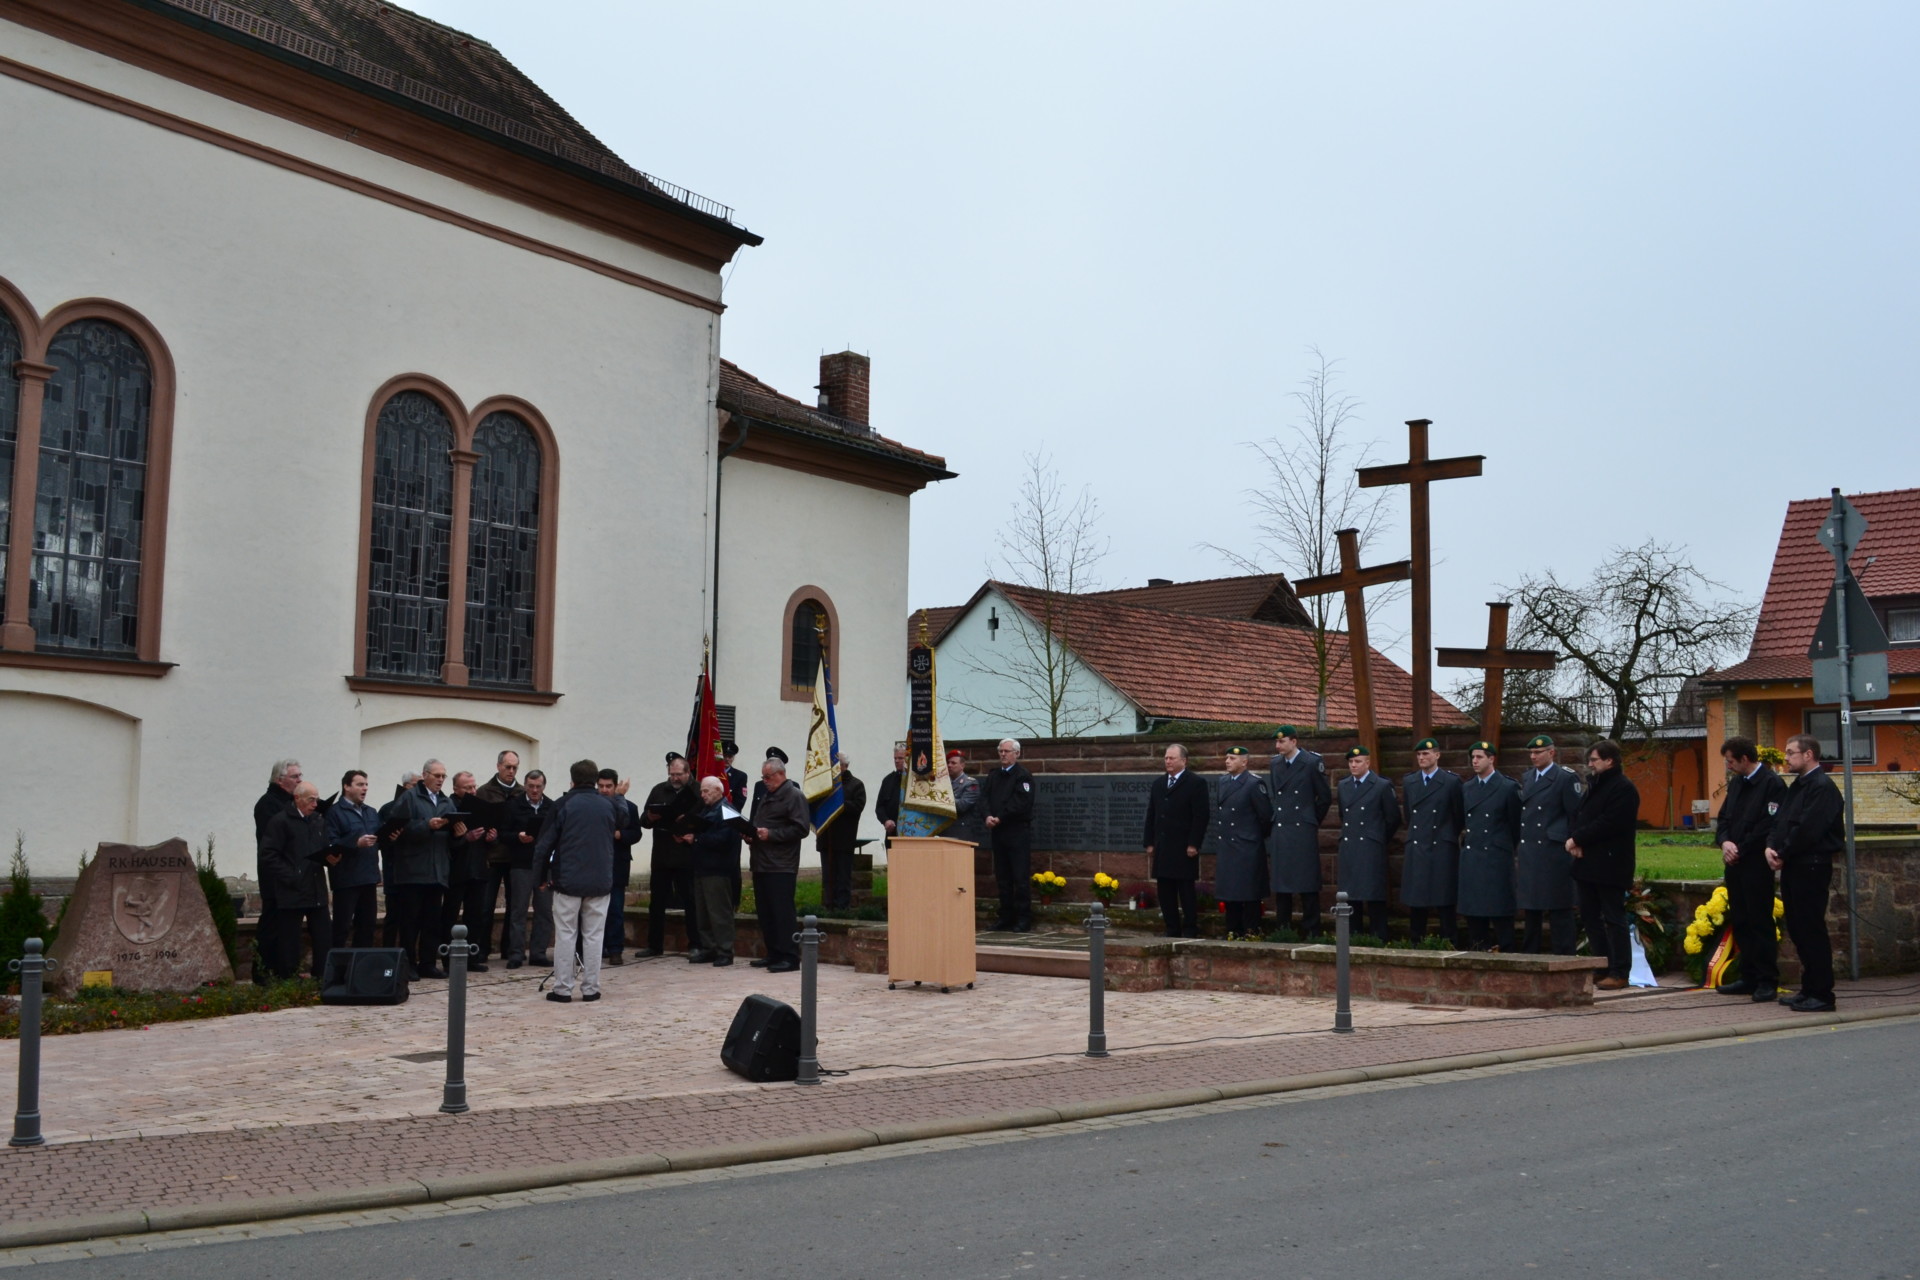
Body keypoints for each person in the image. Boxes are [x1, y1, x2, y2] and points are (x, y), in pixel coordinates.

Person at [1766, 733, 1844, 1012]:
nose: (1785, 757)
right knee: (1798, 929)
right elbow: (1781, 821)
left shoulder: (1822, 787)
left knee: (1811, 929)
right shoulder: (1798, 786)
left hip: (1811, 865)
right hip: (1794, 865)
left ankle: (1822, 993)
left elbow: (1808, 829)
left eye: (1790, 752)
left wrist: (1784, 851)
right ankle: (1808, 988)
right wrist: (1771, 847)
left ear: (1808, 754)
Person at [535, 759, 619, 1003]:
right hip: (600, 880)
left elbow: (544, 845)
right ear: (594, 780)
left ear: (572, 778)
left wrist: (540, 877)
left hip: (568, 880)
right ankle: (591, 988)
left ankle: (562, 988)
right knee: (594, 935)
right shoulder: (608, 805)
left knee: (566, 934)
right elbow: (623, 822)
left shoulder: (564, 804)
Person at [1713, 736, 1787, 1001]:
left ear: (1745, 759)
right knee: (1741, 920)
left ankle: (1767, 979)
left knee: (1760, 921)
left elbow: (1770, 824)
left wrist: (1741, 848)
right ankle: (1748, 975)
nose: (1728, 766)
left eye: (1731, 761)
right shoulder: (1736, 785)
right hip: (1735, 863)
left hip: (1756, 862)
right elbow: (1724, 819)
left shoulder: (1772, 784)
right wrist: (1724, 842)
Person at [1568, 739, 1640, 990]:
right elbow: (1579, 815)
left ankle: (1620, 971)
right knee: (1590, 916)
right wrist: (1575, 840)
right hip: (1587, 862)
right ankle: (1602, 964)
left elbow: (1610, 822)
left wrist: (1578, 838)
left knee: (1613, 917)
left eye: (1594, 760)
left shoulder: (1623, 788)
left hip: (1611, 864)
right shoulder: (1595, 785)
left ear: (1610, 761)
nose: (1590, 764)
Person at [386, 759, 455, 980]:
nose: (441, 780)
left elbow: (452, 838)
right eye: (437, 775)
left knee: (432, 922)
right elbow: (397, 829)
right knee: (410, 922)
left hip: (437, 872)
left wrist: (460, 834)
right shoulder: (410, 797)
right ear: (425, 775)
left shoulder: (446, 801)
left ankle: (428, 963)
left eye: (443, 776)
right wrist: (425, 825)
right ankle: (409, 965)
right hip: (413, 872)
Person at [258, 781, 333, 980]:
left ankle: (322, 978)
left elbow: (324, 847)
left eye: (317, 799)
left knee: (323, 937)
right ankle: (288, 980)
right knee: (290, 940)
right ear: (297, 798)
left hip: (316, 888)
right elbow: (268, 855)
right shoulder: (280, 821)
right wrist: (292, 875)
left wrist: (332, 857)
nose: (315, 804)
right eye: (311, 800)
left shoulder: (318, 820)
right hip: (292, 889)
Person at [1517, 734, 1583, 955]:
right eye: (1532, 753)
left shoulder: (1565, 778)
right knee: (1532, 907)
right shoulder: (1527, 778)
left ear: (1551, 753)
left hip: (1554, 850)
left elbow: (1574, 814)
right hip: (1531, 850)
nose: (1534, 756)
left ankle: (1564, 955)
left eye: (1538, 752)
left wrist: (1572, 841)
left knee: (1559, 907)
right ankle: (1530, 954)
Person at [1267, 727, 1331, 936]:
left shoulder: (1311, 762)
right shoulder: (1275, 763)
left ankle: (1312, 928)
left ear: (1294, 742)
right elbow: (1277, 796)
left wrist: (1310, 820)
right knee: (1282, 881)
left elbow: (1324, 798)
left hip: (1302, 828)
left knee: (1307, 881)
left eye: (1282, 742)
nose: (1278, 746)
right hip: (1282, 827)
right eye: (1277, 742)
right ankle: (1283, 930)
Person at [749, 755, 811, 972]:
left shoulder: (793, 795)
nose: (765, 781)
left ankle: (790, 957)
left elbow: (801, 829)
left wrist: (771, 834)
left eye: (768, 777)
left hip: (781, 865)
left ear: (781, 774)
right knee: (766, 912)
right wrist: (752, 835)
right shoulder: (768, 795)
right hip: (762, 862)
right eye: (763, 777)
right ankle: (774, 953)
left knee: (782, 912)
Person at [1400, 738, 1465, 943]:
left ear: (1437, 755)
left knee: (1444, 897)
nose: (1421, 758)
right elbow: (1408, 815)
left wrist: (1446, 836)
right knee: (1417, 898)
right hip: (1418, 843)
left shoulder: (1451, 781)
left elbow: (1458, 816)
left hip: (1441, 845)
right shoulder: (1410, 781)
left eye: (1426, 754)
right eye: (1418, 755)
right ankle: (1416, 942)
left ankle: (1449, 942)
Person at [1458, 742, 1521, 951]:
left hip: (1497, 857)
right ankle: (1478, 954)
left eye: (1479, 757)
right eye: (1473, 757)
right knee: (1475, 916)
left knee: (1501, 913)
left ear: (1491, 759)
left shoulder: (1508, 787)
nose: (1475, 761)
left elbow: (1515, 825)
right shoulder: (1467, 788)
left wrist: (1501, 846)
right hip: (1473, 856)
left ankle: (1509, 957)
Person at [1144, 744, 1211, 937]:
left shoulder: (1196, 783)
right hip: (1163, 846)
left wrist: (1194, 843)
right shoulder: (1158, 784)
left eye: (1172, 758)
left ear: (1184, 760)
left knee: (1185, 889)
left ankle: (1190, 927)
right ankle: (1171, 927)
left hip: (1183, 847)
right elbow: (1152, 814)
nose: (1168, 761)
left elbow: (1201, 816)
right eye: (1166, 758)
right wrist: (1149, 841)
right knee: (1165, 890)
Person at [638, 755, 698, 959]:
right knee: (657, 902)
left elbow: (705, 819)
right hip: (663, 854)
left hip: (686, 855)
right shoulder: (658, 790)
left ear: (688, 773)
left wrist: (689, 824)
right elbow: (644, 820)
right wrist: (650, 817)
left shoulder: (697, 790)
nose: (674, 778)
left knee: (690, 901)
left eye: (678, 774)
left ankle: (695, 945)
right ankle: (654, 945)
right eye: (671, 774)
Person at [1335, 745, 1398, 939]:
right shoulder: (1343, 785)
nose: (1353, 765)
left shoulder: (1381, 785)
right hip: (1350, 846)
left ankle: (1378, 938)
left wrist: (1376, 838)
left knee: (1374, 896)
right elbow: (1343, 815)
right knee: (1350, 896)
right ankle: (1352, 938)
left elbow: (1393, 819)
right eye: (1351, 762)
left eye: (1358, 761)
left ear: (1367, 763)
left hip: (1371, 847)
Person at [252, 758, 303, 984]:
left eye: (300, 776)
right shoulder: (267, 804)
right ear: (280, 780)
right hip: (275, 874)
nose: (300, 780)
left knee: (289, 925)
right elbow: (275, 840)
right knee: (272, 924)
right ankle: (263, 972)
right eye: (295, 777)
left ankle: (285, 970)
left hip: (291, 873)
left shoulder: (291, 802)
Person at [1213, 747, 1272, 937]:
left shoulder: (1254, 783)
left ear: (1244, 762)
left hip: (1247, 846)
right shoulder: (1223, 781)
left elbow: (1265, 816)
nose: (1227, 761)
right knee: (1230, 891)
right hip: (1228, 845)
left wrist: (1251, 837)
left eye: (1232, 758)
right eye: (1226, 757)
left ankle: (1251, 929)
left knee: (1249, 890)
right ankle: (1232, 929)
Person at [438, 770, 492, 973]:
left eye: (474, 786)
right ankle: (446, 958)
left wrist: (490, 837)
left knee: (475, 915)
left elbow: (488, 836)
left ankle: (471, 957)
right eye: (467, 788)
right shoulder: (449, 806)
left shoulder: (479, 806)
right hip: (456, 870)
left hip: (478, 868)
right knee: (450, 914)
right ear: (456, 789)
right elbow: (446, 841)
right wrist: (464, 838)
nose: (472, 790)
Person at [473, 750, 524, 965]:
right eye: (507, 767)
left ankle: (509, 949)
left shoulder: (522, 792)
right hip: (491, 857)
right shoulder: (485, 792)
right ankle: (482, 949)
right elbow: (477, 821)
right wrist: (487, 836)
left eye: (514, 768)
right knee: (486, 907)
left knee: (516, 906)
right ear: (498, 766)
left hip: (515, 857)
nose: (511, 771)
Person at [324, 769, 382, 950]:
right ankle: (335, 971)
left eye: (366, 784)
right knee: (342, 926)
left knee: (367, 925)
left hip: (368, 877)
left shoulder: (371, 812)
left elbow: (379, 837)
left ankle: (360, 969)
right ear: (346, 787)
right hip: (346, 879)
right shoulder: (334, 812)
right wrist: (355, 843)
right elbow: (330, 843)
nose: (364, 788)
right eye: (359, 784)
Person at [982, 738, 1036, 932]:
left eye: (1007, 751)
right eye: (1001, 751)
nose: (1003, 754)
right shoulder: (994, 775)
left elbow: (1021, 802)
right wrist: (987, 815)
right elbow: (985, 798)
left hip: (1016, 832)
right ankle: (1005, 916)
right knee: (1002, 877)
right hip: (998, 833)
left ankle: (1023, 918)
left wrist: (1000, 817)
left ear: (1017, 753)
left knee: (1019, 877)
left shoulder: (1023, 776)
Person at [690, 776, 739, 966]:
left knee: (719, 914)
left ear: (719, 790)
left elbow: (723, 839)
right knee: (702, 913)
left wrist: (695, 839)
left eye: (706, 791)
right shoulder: (705, 810)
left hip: (718, 870)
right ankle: (708, 948)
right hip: (702, 868)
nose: (702, 795)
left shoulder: (727, 811)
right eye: (702, 791)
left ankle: (725, 951)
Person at [512, 770, 553, 967]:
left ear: (544, 787)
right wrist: (517, 837)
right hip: (521, 863)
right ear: (525, 785)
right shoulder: (514, 805)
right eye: (530, 786)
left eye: (538, 786)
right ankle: (516, 954)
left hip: (545, 865)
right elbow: (503, 832)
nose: (534, 790)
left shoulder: (551, 806)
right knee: (518, 910)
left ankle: (538, 952)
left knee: (544, 910)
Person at [816, 752, 867, 909]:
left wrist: (839, 802)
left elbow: (858, 806)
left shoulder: (856, 785)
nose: (833, 768)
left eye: (836, 765)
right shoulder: (825, 784)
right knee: (828, 876)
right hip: (827, 836)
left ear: (845, 766)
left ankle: (842, 907)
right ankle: (828, 904)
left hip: (844, 838)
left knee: (843, 876)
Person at [722, 741, 749, 907]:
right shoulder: (710, 773)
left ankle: (734, 902)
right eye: (724, 755)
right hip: (712, 823)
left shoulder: (740, 776)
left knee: (733, 865)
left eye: (730, 756)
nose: (727, 759)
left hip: (730, 824)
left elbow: (740, 800)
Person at [946, 749, 984, 844]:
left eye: (953, 763)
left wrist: (940, 800)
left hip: (960, 830)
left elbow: (962, 805)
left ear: (962, 765)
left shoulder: (970, 783)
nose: (949, 765)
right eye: (948, 763)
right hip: (944, 829)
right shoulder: (943, 783)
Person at [873, 743, 908, 839]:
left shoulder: (914, 781)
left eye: (900, 758)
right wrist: (886, 821)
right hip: (892, 834)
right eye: (895, 758)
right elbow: (879, 807)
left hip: (910, 834)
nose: (897, 761)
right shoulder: (888, 780)